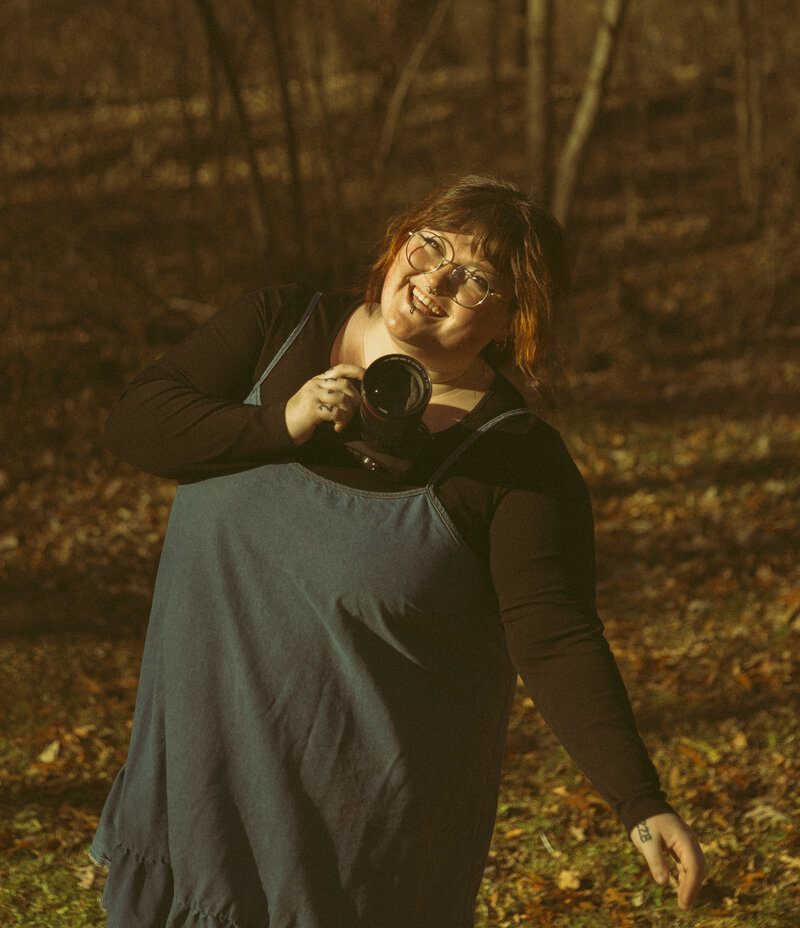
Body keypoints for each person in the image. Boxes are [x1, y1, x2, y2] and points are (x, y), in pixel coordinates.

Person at [90, 174, 705, 928]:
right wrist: (278, 426)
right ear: (398, 242)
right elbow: (137, 425)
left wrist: (640, 802)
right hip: (194, 799)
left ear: (515, 318)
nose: (436, 279)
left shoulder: (514, 460)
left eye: (477, 278)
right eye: (432, 245)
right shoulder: (276, 328)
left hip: (355, 851)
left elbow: (554, 635)